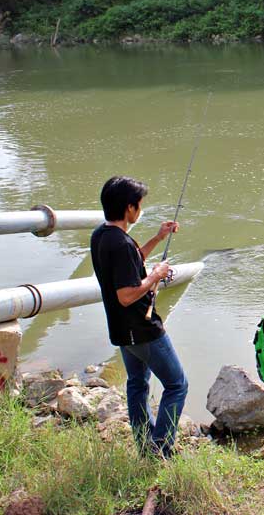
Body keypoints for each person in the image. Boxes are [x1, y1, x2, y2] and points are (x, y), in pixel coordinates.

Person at [90, 175, 188, 459]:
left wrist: (158, 237)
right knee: (177, 384)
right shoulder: (119, 243)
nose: (141, 209)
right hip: (141, 328)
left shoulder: (103, 235)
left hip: (121, 329)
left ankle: (146, 447)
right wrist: (156, 275)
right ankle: (161, 449)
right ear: (129, 208)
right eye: (140, 205)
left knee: (136, 384)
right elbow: (126, 294)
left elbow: (132, 263)